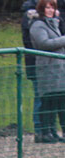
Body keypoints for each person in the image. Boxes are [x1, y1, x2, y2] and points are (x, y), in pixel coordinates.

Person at [30, 0, 65, 142]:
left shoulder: (53, 24)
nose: (50, 10)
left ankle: (54, 132)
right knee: (48, 101)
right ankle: (45, 132)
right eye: (47, 8)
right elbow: (44, 43)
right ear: (41, 9)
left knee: (60, 101)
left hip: (59, 68)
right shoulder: (37, 25)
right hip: (47, 68)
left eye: (52, 8)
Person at [21, 0, 43, 139]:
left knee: (54, 97)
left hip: (55, 63)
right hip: (37, 62)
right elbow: (37, 41)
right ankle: (40, 130)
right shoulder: (31, 16)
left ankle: (48, 129)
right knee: (41, 96)